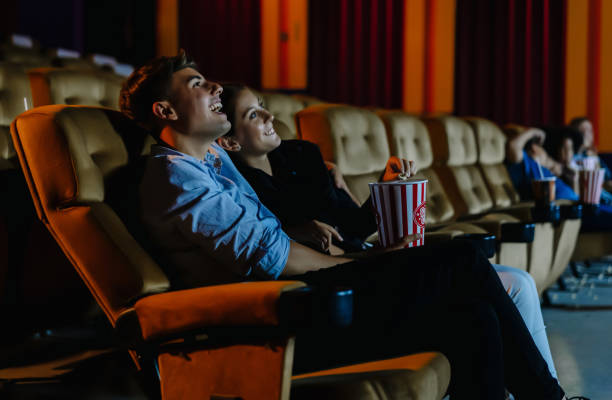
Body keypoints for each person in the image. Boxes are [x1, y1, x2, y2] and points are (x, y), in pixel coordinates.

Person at [119, 51, 569, 399]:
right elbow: (277, 260)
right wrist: (366, 258)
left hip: (308, 295)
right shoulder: (176, 175)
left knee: (476, 316)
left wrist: (331, 185)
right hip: (282, 320)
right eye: (197, 84)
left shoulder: (210, 158)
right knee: (462, 258)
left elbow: (267, 224)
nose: (214, 85)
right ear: (166, 111)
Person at [216, 83, 560, 379]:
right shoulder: (242, 189)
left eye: (263, 107)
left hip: (370, 256)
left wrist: (386, 185)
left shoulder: (302, 155)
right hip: (343, 282)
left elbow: (354, 224)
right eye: (253, 115)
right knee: (497, 287)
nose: (269, 117)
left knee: (518, 283)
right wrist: (299, 231)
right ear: (231, 142)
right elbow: (278, 254)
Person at [506, 125, 612, 232]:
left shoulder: (549, 171)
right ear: (532, 149)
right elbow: (513, 146)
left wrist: (574, 180)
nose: (543, 151)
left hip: (576, 211)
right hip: (565, 214)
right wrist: (533, 132)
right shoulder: (526, 163)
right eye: (540, 147)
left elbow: (574, 196)